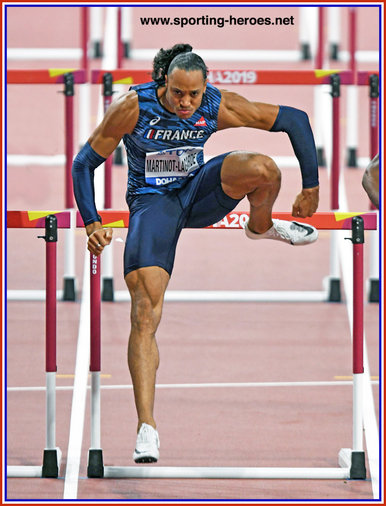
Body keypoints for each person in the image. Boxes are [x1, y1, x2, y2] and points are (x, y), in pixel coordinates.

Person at [72, 43, 320, 464]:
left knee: (263, 168)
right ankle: (146, 427)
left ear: (205, 87)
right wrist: (92, 221)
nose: (186, 104)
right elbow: (83, 163)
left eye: (193, 95)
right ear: (163, 83)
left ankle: (261, 228)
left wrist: (311, 185)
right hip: (153, 204)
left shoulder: (216, 104)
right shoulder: (133, 107)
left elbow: (295, 120)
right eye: (177, 94)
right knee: (144, 313)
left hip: (200, 192)